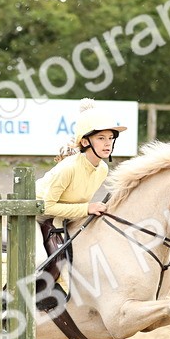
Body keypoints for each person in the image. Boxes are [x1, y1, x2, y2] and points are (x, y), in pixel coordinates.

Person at [35, 99, 128, 291]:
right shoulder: (68, 168)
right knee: (39, 259)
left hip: (59, 218)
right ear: (85, 142)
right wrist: (88, 208)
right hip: (33, 216)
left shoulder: (102, 168)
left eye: (111, 138)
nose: (108, 143)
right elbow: (45, 206)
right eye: (101, 138)